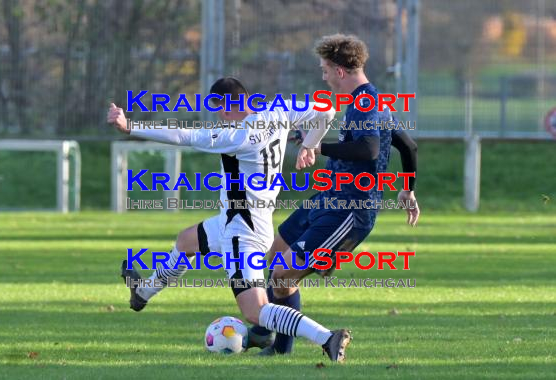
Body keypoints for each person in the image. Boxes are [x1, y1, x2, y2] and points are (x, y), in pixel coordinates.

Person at [107, 77, 353, 362]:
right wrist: (310, 144)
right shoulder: (278, 111)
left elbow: (183, 136)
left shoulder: (238, 136)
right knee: (186, 241)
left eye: (219, 106)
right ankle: (143, 293)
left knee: (254, 310)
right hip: (239, 219)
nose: (218, 113)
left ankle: (327, 338)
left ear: (227, 105)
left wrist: (130, 127)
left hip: (241, 231)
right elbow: (327, 110)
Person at [252, 34, 420, 356]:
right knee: (272, 257)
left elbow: (369, 150)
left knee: (281, 272)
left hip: (349, 212)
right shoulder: (371, 102)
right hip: (327, 199)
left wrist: (315, 145)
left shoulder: (364, 105)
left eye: (325, 70)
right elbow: (408, 146)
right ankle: (269, 338)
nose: (324, 77)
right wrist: (407, 189)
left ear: (340, 71)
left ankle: (289, 346)